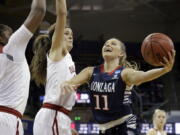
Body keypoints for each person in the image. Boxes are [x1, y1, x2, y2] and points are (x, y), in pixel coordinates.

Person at [61, 38, 175, 135]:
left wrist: (163, 70)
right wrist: (66, 84)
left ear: (121, 54)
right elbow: (71, 82)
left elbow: (143, 76)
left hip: (124, 125)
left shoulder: (124, 73)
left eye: (113, 44)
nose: (108, 45)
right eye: (106, 44)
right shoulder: (90, 72)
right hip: (103, 128)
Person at [30, 0, 77, 134]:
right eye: (66, 33)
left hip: (56, 116)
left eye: (72, 34)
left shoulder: (68, 59)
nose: (70, 36)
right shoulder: (56, 52)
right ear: (56, 37)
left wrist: (67, 127)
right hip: (53, 115)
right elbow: (62, 14)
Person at [0, 0, 46, 134]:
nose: (13, 35)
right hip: (6, 119)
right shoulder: (11, 48)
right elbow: (39, 11)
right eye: (10, 33)